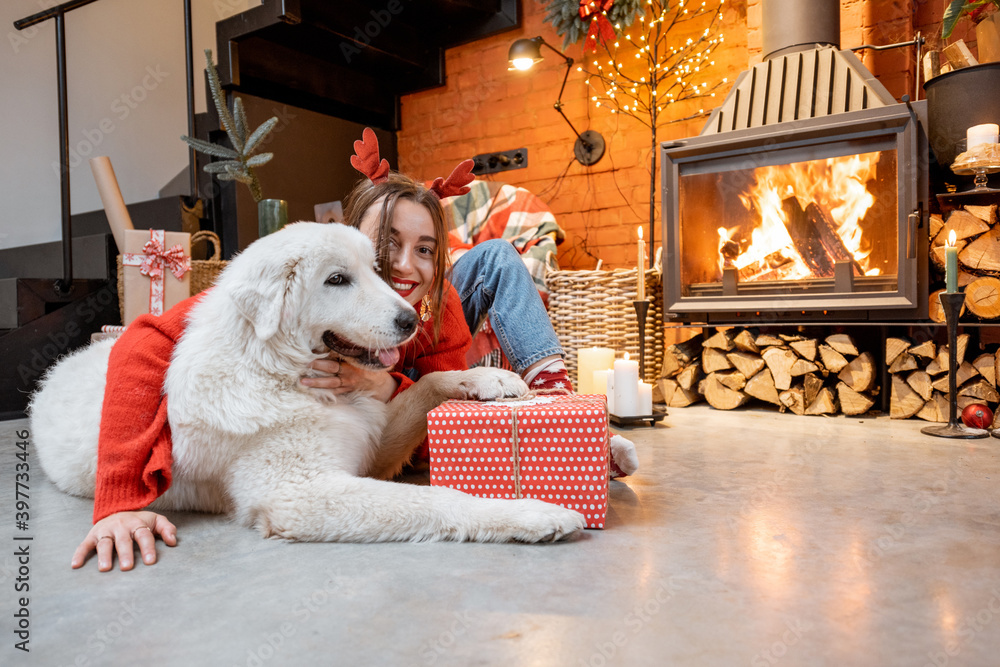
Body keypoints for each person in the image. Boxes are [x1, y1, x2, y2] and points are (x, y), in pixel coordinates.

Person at [72, 128, 635, 572]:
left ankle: (561, 417)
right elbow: (145, 341)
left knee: (499, 267)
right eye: (384, 247)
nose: (404, 267)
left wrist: (388, 385)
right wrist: (118, 497)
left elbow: (447, 438)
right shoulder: (282, 295)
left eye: (424, 250)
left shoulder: (439, 312)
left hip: (391, 412)